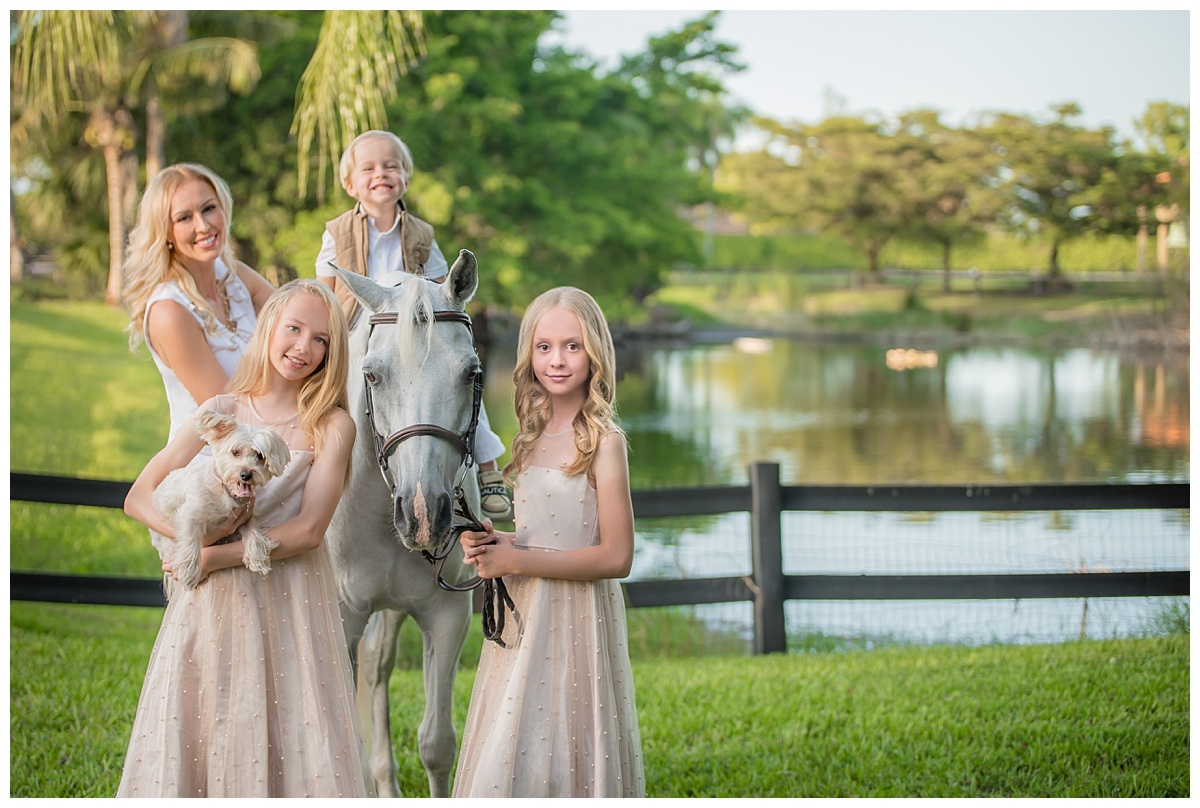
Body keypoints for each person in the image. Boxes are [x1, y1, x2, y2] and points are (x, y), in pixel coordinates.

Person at [117, 280, 372, 798]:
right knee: (209, 713)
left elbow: (308, 530)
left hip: (290, 598)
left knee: (292, 723)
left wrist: (219, 557)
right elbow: (139, 496)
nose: (303, 347)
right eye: (293, 329)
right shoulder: (222, 411)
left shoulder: (332, 426)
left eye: (320, 339)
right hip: (211, 601)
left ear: (332, 352)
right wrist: (195, 542)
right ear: (269, 327)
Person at [452, 287, 645, 798]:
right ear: (528, 353)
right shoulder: (530, 433)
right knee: (513, 740)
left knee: (566, 735)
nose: (556, 360)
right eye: (543, 347)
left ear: (595, 352)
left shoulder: (604, 441)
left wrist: (519, 556)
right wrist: (502, 543)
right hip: (526, 613)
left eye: (571, 346)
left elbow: (617, 556)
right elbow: (549, 531)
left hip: (576, 614)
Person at [313, 130, 513, 521]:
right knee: (318, 394)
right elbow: (325, 292)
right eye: (368, 168)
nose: (380, 174)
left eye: (391, 166)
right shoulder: (335, 231)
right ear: (350, 184)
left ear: (405, 177)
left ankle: (488, 469)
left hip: (413, 332)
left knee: (460, 374)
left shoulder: (422, 233)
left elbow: (442, 288)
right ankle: (307, 468)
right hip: (360, 328)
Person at [123, 163, 276, 442]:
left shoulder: (237, 276)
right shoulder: (169, 312)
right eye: (184, 218)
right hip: (213, 467)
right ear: (165, 231)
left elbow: (302, 325)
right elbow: (229, 417)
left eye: (208, 208)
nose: (203, 225)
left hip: (269, 446)